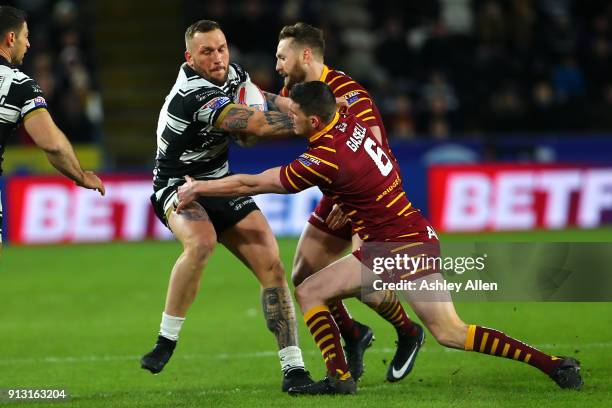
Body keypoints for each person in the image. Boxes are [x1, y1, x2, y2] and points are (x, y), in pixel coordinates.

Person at [176, 81, 582, 395]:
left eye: (296, 117)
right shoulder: (346, 118)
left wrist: (200, 189)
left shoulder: (324, 157)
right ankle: (554, 364)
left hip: (389, 246)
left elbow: (255, 181)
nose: (290, 121)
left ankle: (338, 378)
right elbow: (293, 105)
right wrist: (253, 90)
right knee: (451, 332)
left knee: (310, 290)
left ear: (314, 121)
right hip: (417, 233)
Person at [140, 19, 313, 392]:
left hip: (218, 181)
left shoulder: (231, 72)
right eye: (207, 52)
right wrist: (316, 121)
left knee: (272, 266)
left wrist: (304, 103)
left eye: (221, 48)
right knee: (201, 243)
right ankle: (165, 340)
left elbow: (261, 97)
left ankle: (294, 369)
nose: (218, 58)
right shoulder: (194, 94)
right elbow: (258, 125)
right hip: (178, 185)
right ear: (190, 57)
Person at [260, 22, 422, 382]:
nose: (277, 66)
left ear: (305, 55)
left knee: (367, 285)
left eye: (281, 57)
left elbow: (376, 145)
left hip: (366, 199)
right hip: (337, 195)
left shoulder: (349, 91)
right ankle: (354, 335)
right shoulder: (296, 90)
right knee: (305, 274)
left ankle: (409, 332)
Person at [0, 5, 104, 248]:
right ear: (11, 38)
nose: (28, 45)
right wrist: (80, 176)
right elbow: (51, 143)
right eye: (25, 37)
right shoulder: (19, 85)